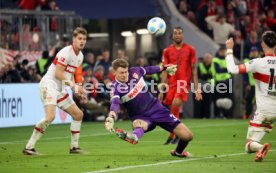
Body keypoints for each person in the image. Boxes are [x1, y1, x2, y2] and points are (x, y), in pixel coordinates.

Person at [104, 59, 193, 157]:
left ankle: (178, 152)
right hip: (141, 117)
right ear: (114, 72)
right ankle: (134, 137)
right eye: (121, 73)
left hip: (157, 109)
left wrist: (163, 68)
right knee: (138, 124)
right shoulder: (115, 87)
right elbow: (115, 102)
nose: (124, 75)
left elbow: (149, 69)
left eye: (125, 72)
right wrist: (111, 115)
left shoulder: (135, 71)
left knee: (188, 136)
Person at [22, 27, 88, 155]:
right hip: (49, 85)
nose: (82, 41)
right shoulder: (65, 52)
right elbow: (58, 73)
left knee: (78, 114)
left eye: (84, 39)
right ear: (73, 39)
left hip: (60, 89)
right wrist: (74, 87)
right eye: (79, 38)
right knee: (50, 117)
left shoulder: (80, 56)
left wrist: (77, 93)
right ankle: (29, 147)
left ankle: (74, 147)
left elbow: (70, 75)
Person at [225, 31, 276, 162]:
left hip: (264, 111)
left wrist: (230, 50)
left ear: (262, 44)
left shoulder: (257, 63)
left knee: (248, 145)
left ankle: (260, 148)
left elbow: (233, 69)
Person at [158, 26, 202, 145]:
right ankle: (176, 134)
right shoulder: (166, 51)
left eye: (179, 33)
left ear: (183, 36)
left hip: (183, 83)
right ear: (172, 36)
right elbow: (165, 72)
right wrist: (162, 90)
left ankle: (173, 135)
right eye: (175, 33)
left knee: (175, 104)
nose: (177, 35)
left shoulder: (190, 49)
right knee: (172, 109)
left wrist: (197, 89)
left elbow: (194, 70)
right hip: (171, 84)